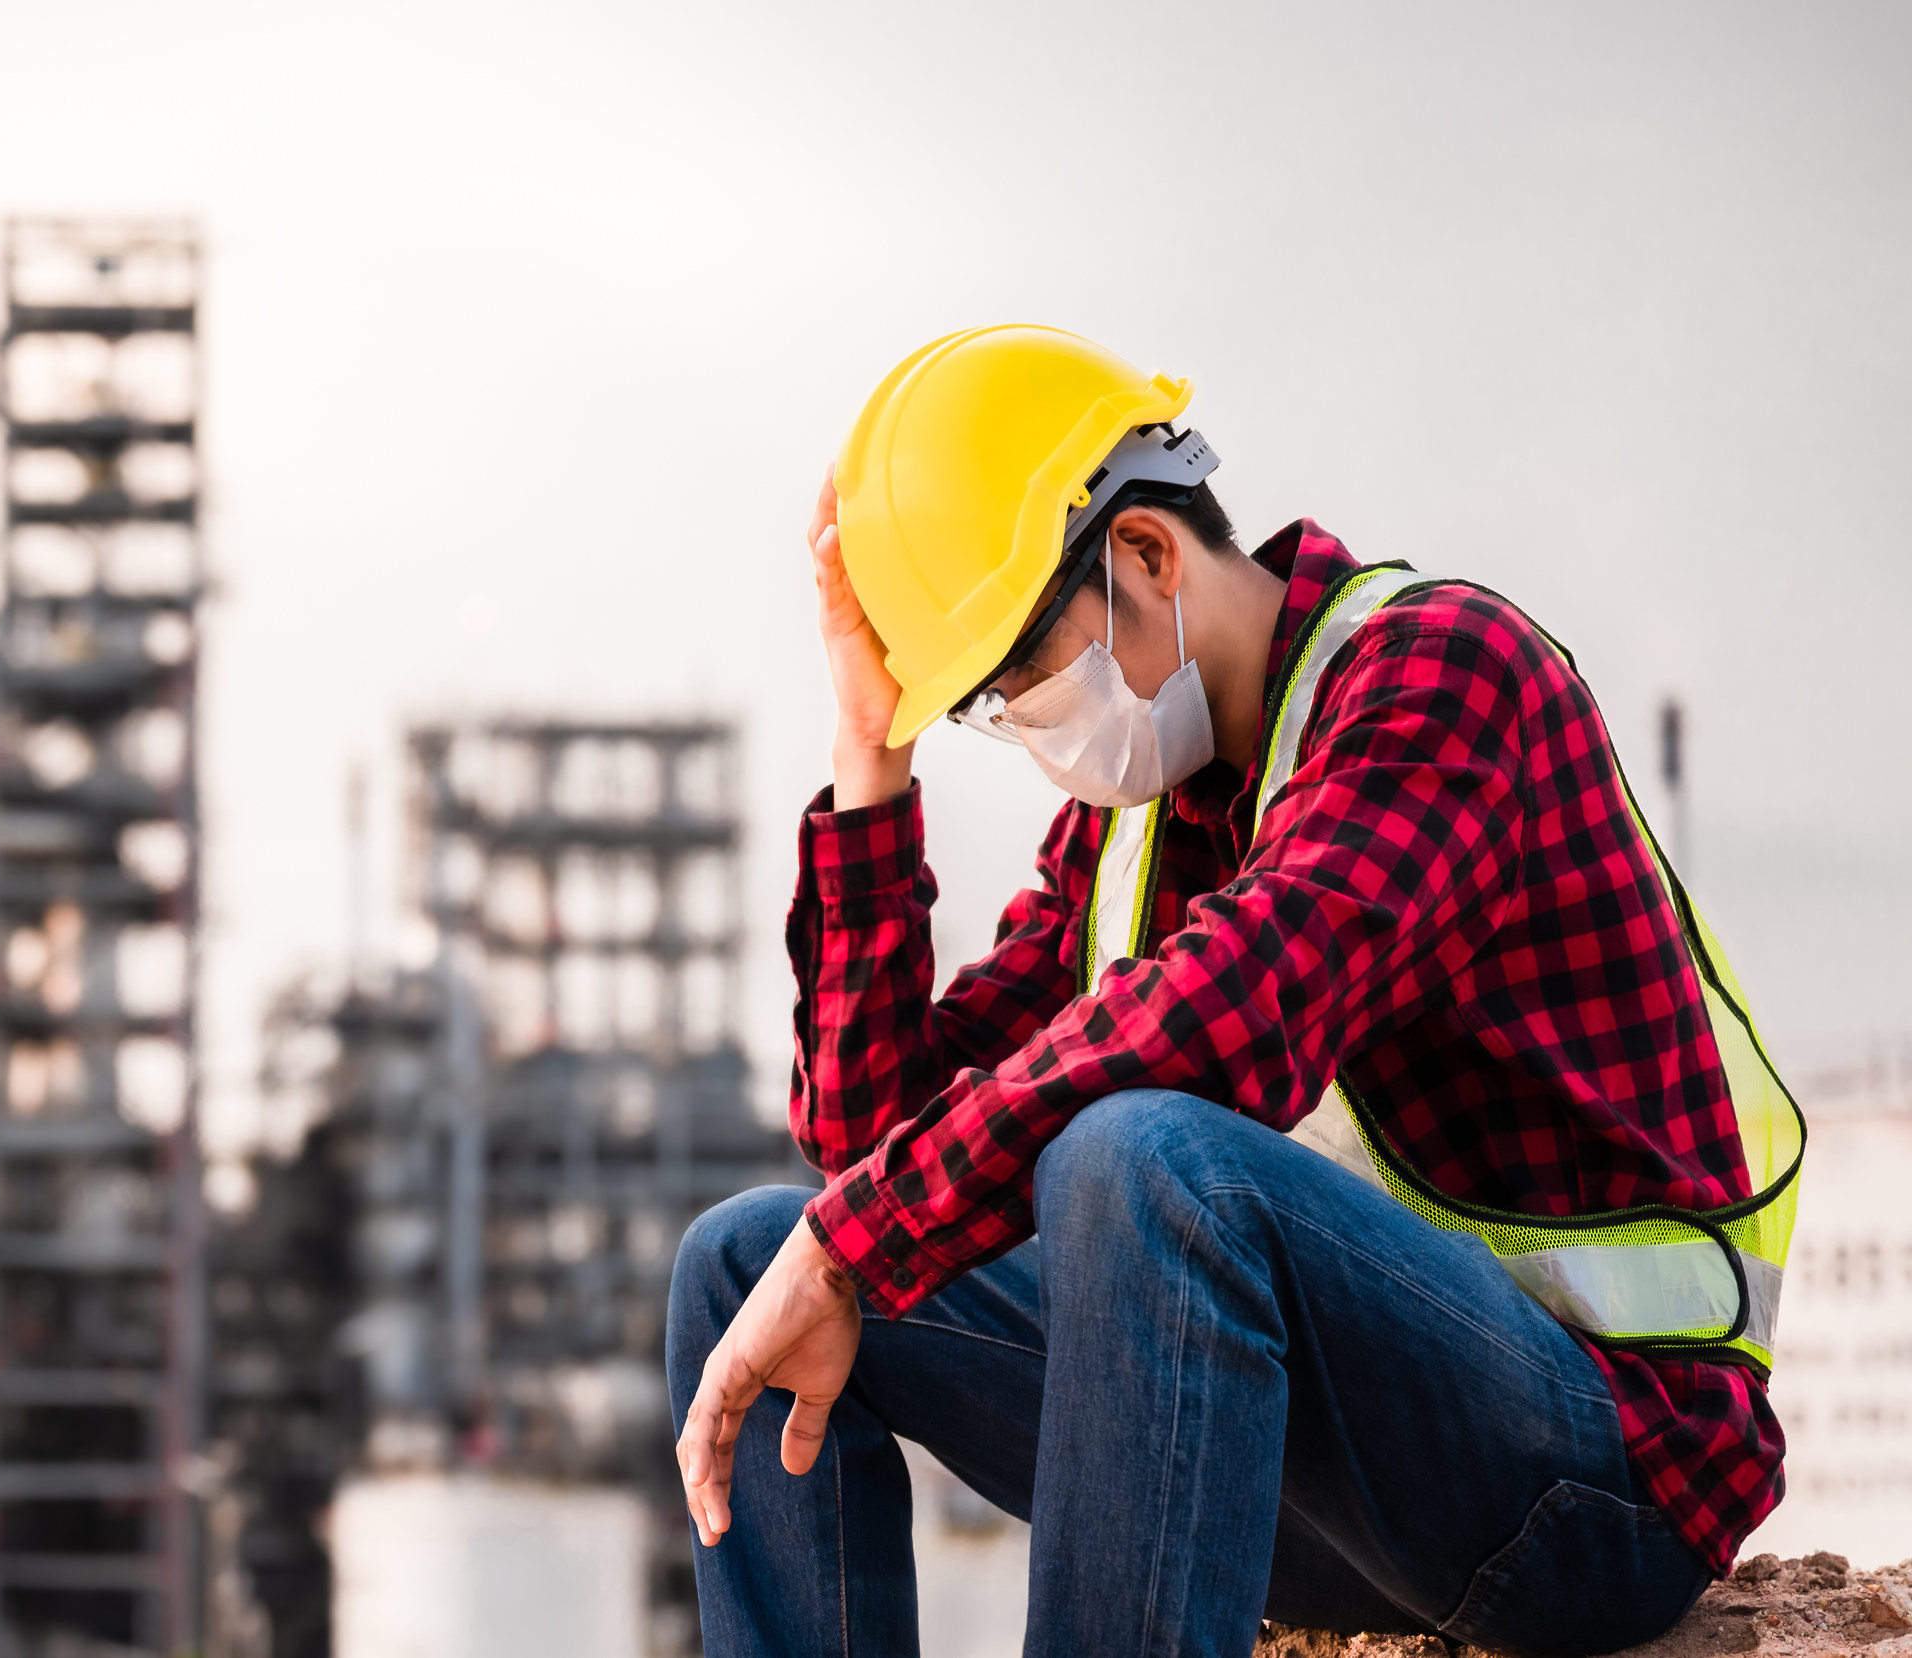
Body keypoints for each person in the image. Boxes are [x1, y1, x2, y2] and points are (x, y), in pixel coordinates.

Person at [667, 326, 1801, 1658]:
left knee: (1143, 1151)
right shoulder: (1142, 820)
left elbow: (1229, 1020)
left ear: (1148, 554)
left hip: (1600, 1473)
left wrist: (858, 1236)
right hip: (1329, 1483)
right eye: (993, 706)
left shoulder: (1442, 676)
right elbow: (877, 1151)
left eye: (1029, 675)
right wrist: (872, 757)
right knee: (745, 1256)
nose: (1036, 736)